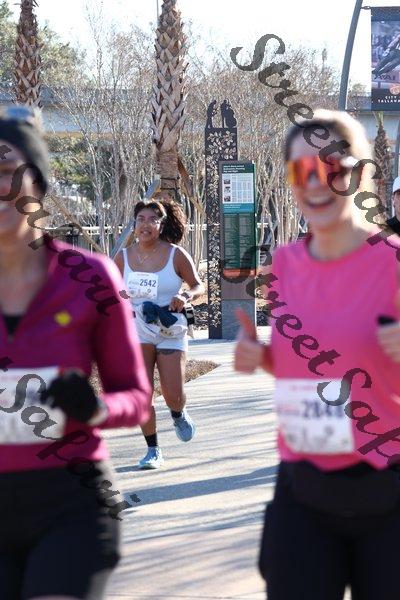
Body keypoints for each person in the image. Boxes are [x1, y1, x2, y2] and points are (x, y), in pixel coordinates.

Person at [235, 109, 400, 600]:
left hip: (387, 489)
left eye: (333, 167)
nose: (316, 183)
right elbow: (309, 365)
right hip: (304, 486)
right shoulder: (284, 265)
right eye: (302, 170)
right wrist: (261, 357)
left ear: (361, 173)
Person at [0, 105, 151, 600]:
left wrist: (95, 408)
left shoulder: (89, 276)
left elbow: (136, 398)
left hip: (72, 501)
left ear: (38, 182)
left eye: (8, 170)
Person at [115, 199, 204, 470]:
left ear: (161, 225)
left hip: (170, 327)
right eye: (140, 219)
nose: (145, 224)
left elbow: (197, 285)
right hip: (138, 329)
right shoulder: (123, 257)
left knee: (172, 393)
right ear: (134, 224)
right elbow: (109, 288)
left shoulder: (176, 254)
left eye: (152, 219)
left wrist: (185, 295)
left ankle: (178, 412)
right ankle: (153, 449)